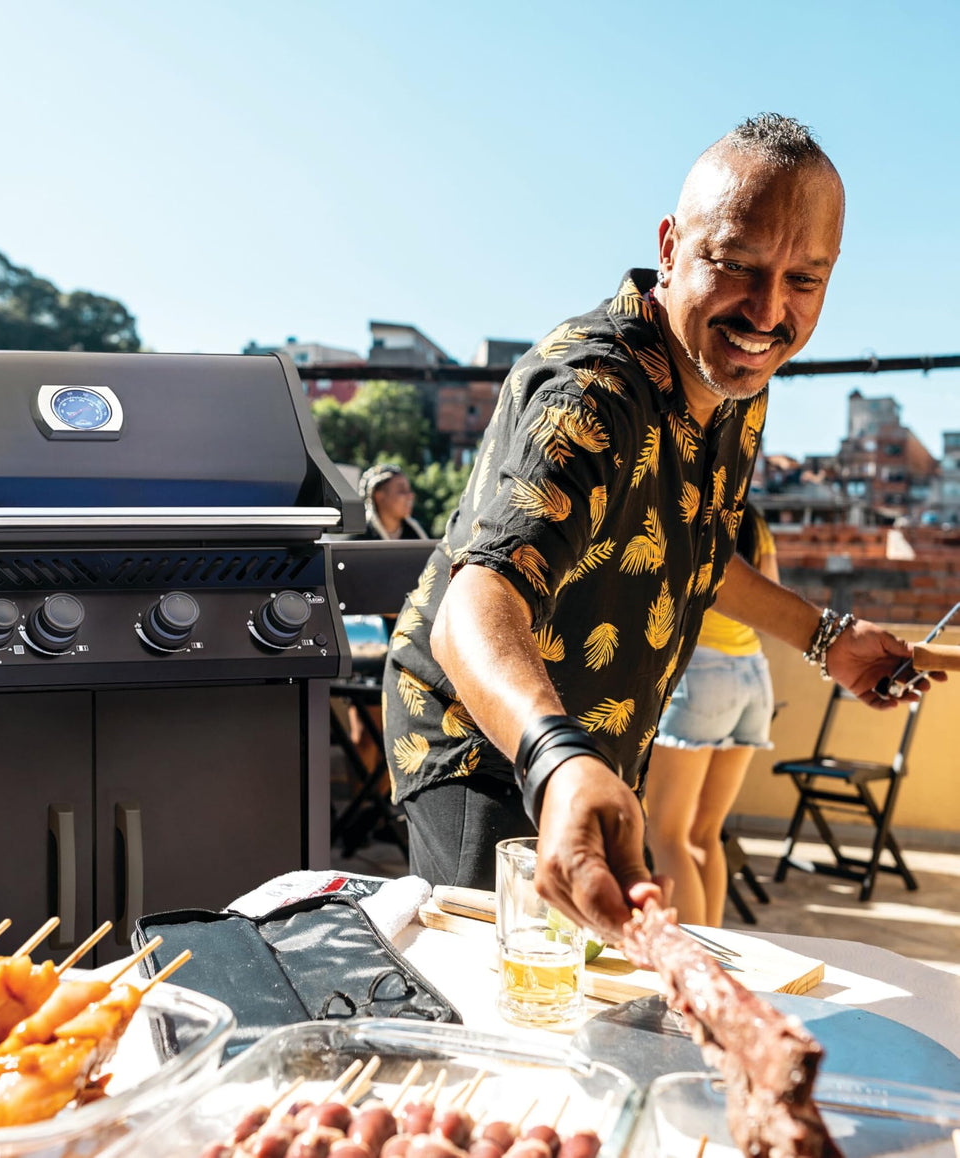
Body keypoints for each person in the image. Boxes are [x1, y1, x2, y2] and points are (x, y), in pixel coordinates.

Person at [382, 113, 934, 944]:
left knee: (582, 988)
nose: (767, 310)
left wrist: (827, 639)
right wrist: (557, 762)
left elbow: (699, 552)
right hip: (490, 742)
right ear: (671, 247)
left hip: (586, 745)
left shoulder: (736, 381)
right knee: (503, 1000)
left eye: (804, 280)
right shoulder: (591, 393)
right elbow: (478, 596)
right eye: (736, 265)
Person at [644, 504, 779, 927]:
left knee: (666, 835)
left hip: (699, 671)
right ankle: (717, 950)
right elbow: (770, 596)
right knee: (705, 833)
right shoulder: (754, 520)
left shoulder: (684, 505)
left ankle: (696, 962)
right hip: (753, 673)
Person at [357, 463, 428, 540]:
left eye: (409, 490)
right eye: (402, 490)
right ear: (379, 496)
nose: (410, 496)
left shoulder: (418, 535)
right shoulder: (358, 541)